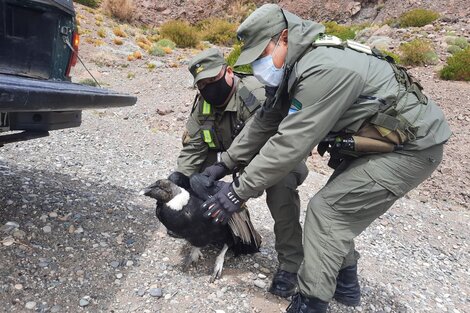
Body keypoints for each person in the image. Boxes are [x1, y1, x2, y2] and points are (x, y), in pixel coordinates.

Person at [200, 4, 452, 312]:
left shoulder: (323, 68)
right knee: (338, 210)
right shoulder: (296, 65)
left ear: (283, 38)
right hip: (376, 143)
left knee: (328, 211)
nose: (260, 64)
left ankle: (312, 303)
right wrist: (224, 163)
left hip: (411, 148)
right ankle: (347, 288)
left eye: (262, 54)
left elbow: (289, 142)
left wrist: (237, 193)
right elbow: (266, 120)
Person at [168, 48, 309, 297]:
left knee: (281, 191)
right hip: (229, 157)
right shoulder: (204, 104)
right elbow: (195, 147)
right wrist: (178, 182)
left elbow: (276, 147)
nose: (209, 88)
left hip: (274, 156)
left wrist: (239, 190)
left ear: (229, 71)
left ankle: (290, 263)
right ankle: (206, 229)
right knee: (193, 178)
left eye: (213, 80)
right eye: (202, 84)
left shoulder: (257, 95)